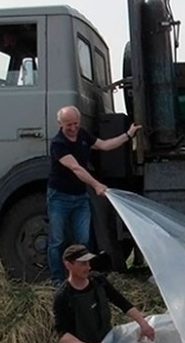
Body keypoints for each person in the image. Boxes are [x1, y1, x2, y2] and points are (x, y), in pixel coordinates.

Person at [47, 105, 141, 285]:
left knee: (83, 240)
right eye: (69, 125)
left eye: (76, 123)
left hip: (80, 197)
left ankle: (83, 275)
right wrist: (97, 185)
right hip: (59, 198)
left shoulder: (82, 134)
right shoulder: (58, 143)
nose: (73, 128)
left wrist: (128, 135)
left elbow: (105, 145)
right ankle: (57, 280)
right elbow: (76, 168)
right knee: (57, 240)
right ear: (60, 124)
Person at [53, 244, 156, 343]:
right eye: (82, 264)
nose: (88, 267)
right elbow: (63, 334)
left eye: (88, 263)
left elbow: (122, 302)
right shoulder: (63, 296)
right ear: (68, 264)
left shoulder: (98, 280)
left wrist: (143, 324)